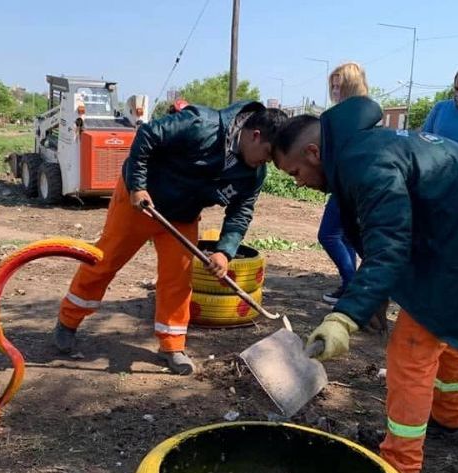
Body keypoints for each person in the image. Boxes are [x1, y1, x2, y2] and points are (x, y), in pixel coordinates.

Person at [271, 100, 458, 473]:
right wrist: (375, 298)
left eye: (295, 172)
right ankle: (449, 420)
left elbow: (390, 246)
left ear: (314, 152)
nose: (298, 181)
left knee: (412, 346)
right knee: (445, 327)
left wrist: (344, 316)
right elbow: (384, 231)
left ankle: (400, 472)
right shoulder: (367, 147)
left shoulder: (364, 161)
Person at [53, 101, 288, 375]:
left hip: (181, 216)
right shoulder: (200, 123)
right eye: (268, 154)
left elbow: (241, 212)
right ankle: (68, 320)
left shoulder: (253, 174)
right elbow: (147, 135)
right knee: (103, 263)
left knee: (178, 279)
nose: (265, 163)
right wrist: (138, 186)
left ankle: (172, 345)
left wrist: (225, 251)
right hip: (139, 202)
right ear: (255, 135)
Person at [318, 62, 368, 304]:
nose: (335, 91)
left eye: (340, 86)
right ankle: (350, 285)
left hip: (349, 184)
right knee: (346, 235)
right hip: (352, 183)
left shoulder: (348, 116)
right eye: (333, 86)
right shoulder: (366, 110)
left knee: (328, 235)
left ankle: (352, 285)